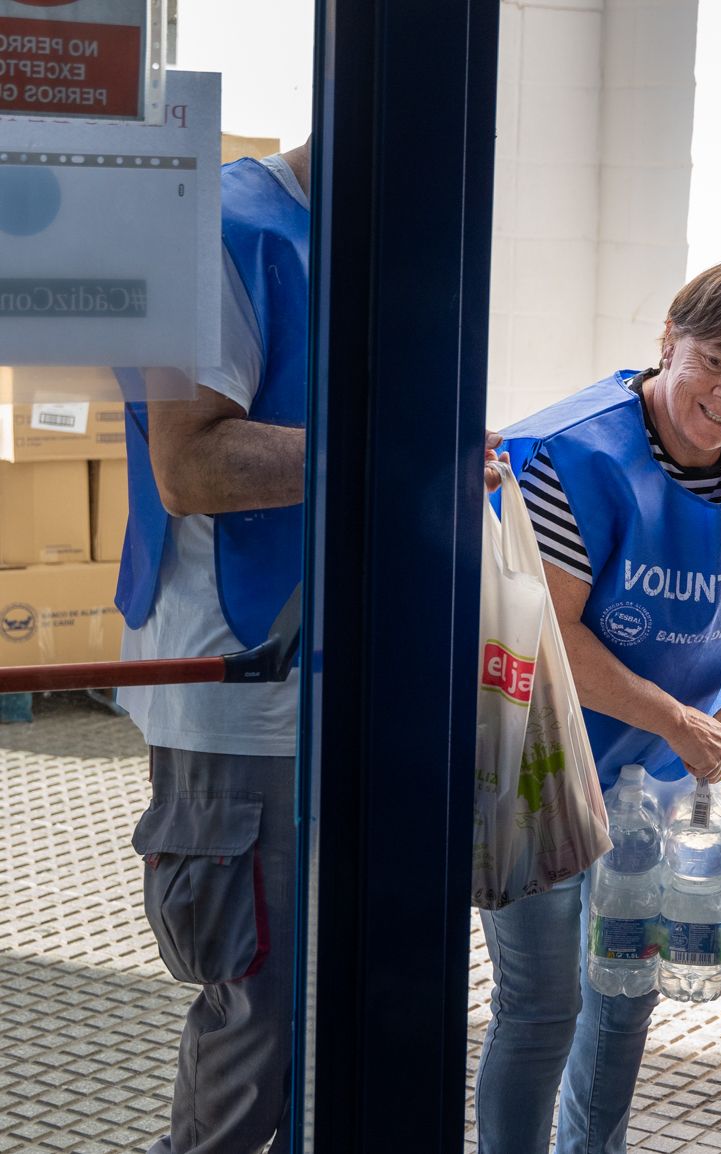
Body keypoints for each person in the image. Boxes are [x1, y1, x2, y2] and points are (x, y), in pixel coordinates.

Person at [479, 259, 721, 1154]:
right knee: (543, 1003)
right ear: (668, 338)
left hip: (660, 774)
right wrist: (681, 720)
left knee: (626, 984)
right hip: (537, 762)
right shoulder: (567, 456)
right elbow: (549, 633)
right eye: (712, 361)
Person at [117, 139, 312, 1154]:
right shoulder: (228, 227)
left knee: (321, 1014)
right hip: (241, 686)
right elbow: (189, 463)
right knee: (259, 1020)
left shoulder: (369, 234)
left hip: (323, 678)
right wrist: (400, 440)